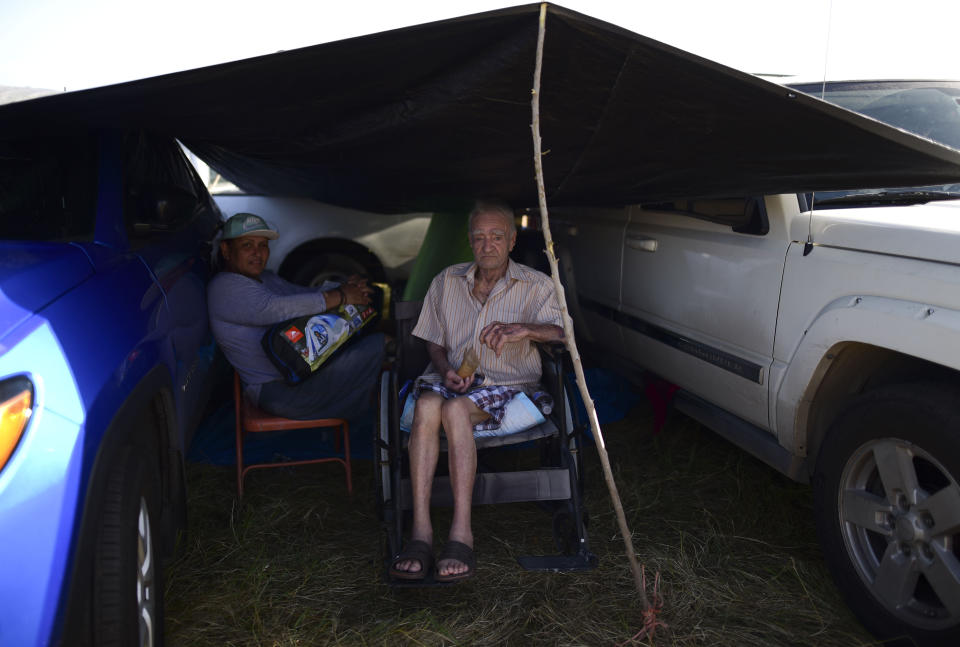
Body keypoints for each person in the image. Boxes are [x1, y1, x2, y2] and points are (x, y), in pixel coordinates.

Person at [389, 199, 564, 582]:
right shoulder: (446, 281)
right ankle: (420, 531)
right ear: (470, 241)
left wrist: (526, 329)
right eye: (480, 237)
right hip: (451, 381)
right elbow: (433, 340)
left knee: (453, 412)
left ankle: (461, 533)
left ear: (512, 240)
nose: (488, 245)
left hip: (509, 385)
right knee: (427, 406)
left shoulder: (536, 286)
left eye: (497, 236)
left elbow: (564, 332)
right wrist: (445, 368)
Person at [208, 212, 385, 421]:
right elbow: (275, 309)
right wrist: (340, 295)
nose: (257, 253)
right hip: (280, 392)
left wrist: (345, 287)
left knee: (371, 341)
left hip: (303, 372)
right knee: (380, 345)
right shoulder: (224, 287)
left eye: (263, 245)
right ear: (226, 250)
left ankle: (380, 417)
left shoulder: (266, 278)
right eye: (247, 245)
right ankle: (387, 423)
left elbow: (301, 295)